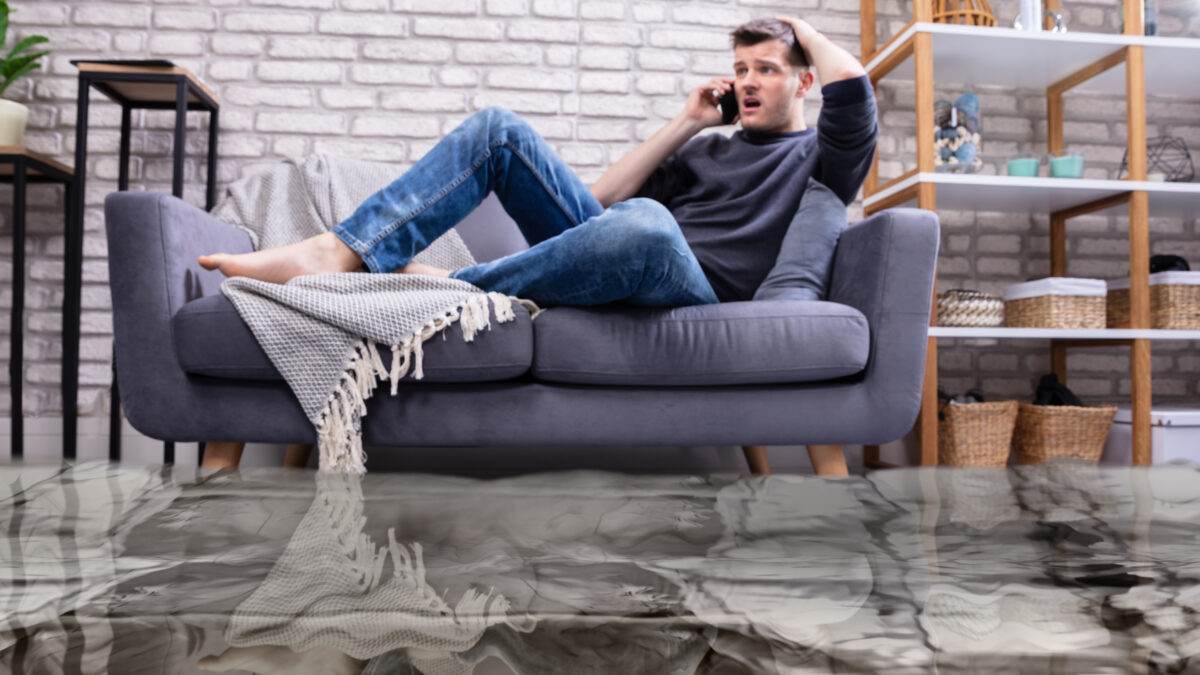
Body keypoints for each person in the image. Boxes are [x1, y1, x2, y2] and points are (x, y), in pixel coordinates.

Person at [198, 16, 876, 309]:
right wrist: (689, 120)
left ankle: (454, 282)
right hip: (625, 248)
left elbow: (855, 87)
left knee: (647, 225)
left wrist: (796, 28)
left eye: (767, 69)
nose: (750, 81)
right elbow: (599, 202)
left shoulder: (822, 158)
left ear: (803, 79)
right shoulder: (706, 149)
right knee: (500, 129)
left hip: (690, 290)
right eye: (740, 69)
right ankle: (342, 251)